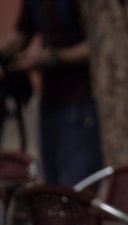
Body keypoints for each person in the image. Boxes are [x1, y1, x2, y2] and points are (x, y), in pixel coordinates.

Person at [0, 0, 102, 186]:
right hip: (49, 104)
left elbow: (97, 45)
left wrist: (53, 57)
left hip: (79, 104)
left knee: (77, 188)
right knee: (52, 186)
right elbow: (20, 36)